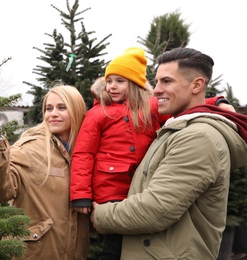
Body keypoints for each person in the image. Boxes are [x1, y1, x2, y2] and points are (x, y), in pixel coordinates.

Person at [70, 47, 231, 260]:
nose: (112, 86)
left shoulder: (152, 109)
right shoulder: (98, 113)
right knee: (113, 247)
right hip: (110, 189)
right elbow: (83, 153)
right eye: (109, 81)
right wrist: (81, 194)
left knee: (125, 241)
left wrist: (216, 102)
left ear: (134, 84)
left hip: (139, 190)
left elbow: (188, 105)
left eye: (120, 81)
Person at [0, 84, 90, 259]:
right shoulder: (31, 148)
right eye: (49, 108)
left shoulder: (84, 152)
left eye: (62, 107)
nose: (53, 113)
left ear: (77, 111)